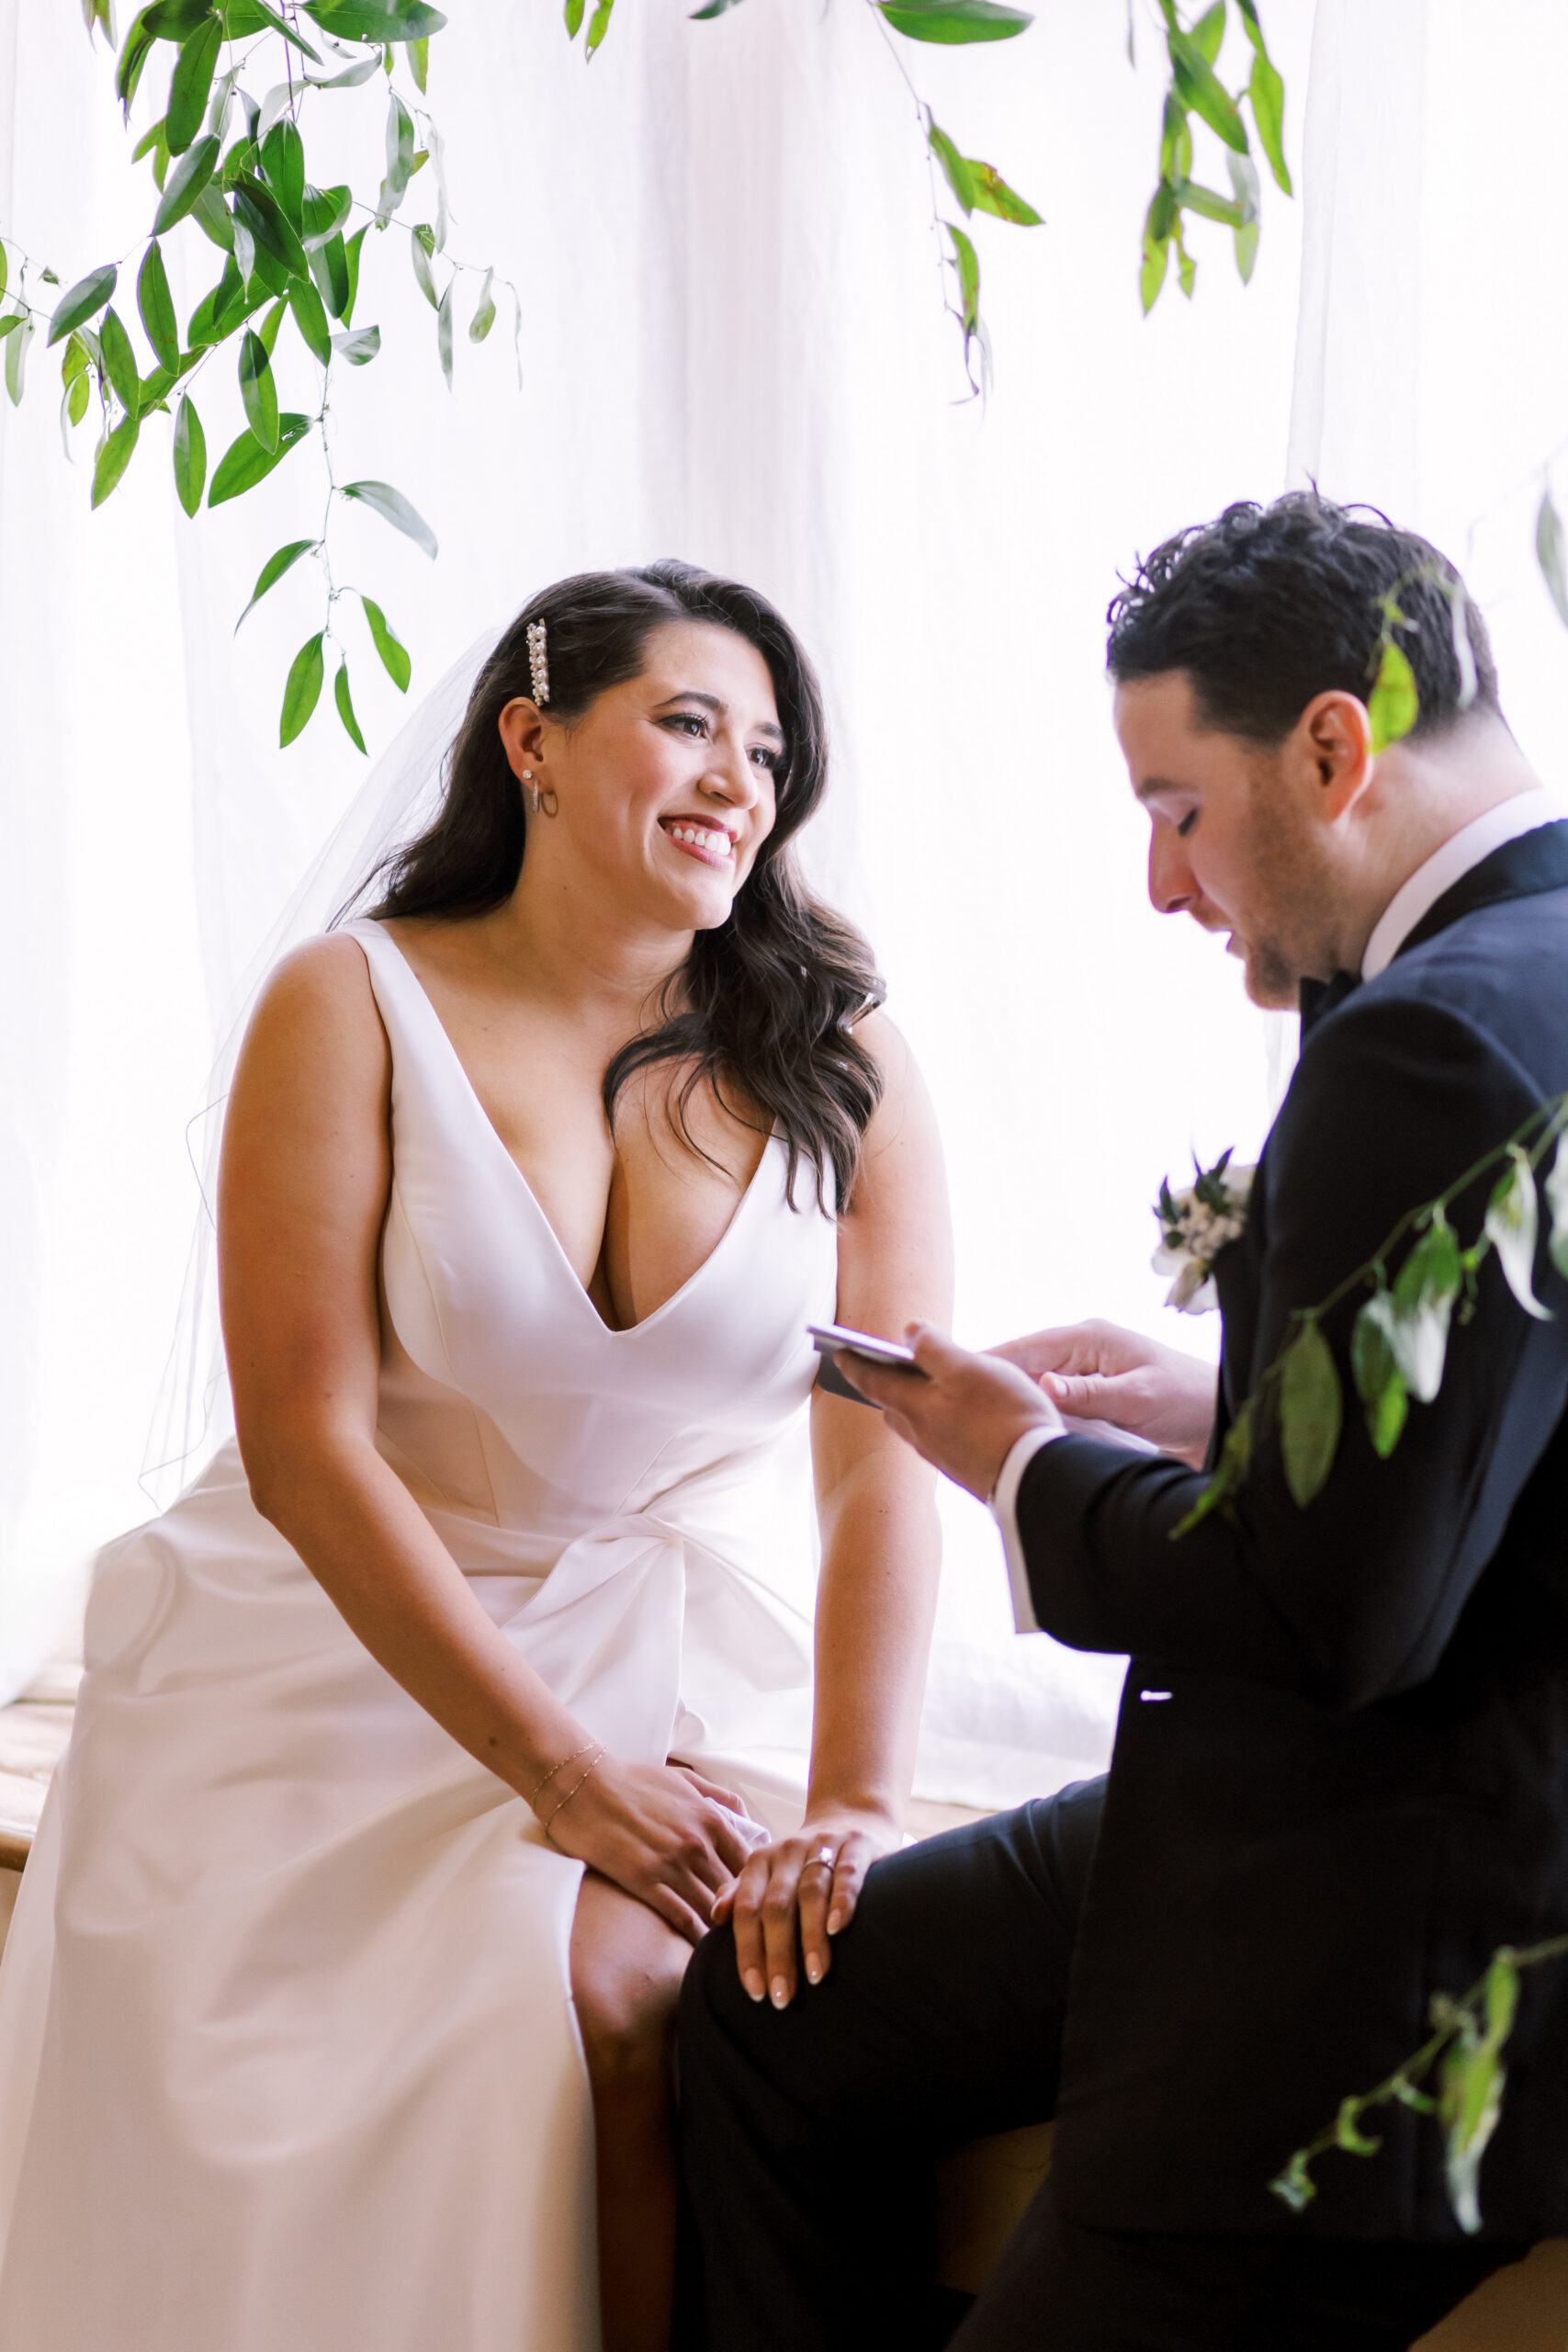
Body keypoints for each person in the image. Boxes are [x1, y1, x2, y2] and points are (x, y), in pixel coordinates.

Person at [0, 562, 952, 2352]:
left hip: (676, 1639)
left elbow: (879, 1460)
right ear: (530, 738)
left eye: (765, 745)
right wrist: (563, 1767)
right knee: (374, 2039)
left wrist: (855, 1799)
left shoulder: (840, 1051)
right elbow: (304, 1442)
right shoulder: (350, 999)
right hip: (334, 1642)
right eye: (685, 720)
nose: (737, 775)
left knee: (628, 1998)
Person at [677, 495, 1568, 2350]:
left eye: (1172, 809)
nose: (1161, 884)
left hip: (1394, 1950)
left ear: (1333, 745)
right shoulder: (1527, 963)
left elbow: (1328, 1619)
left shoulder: (1426, 1037)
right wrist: (1224, 1405)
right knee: (778, 2014)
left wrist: (1008, 1455)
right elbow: (1498, 1434)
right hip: (1392, 1808)